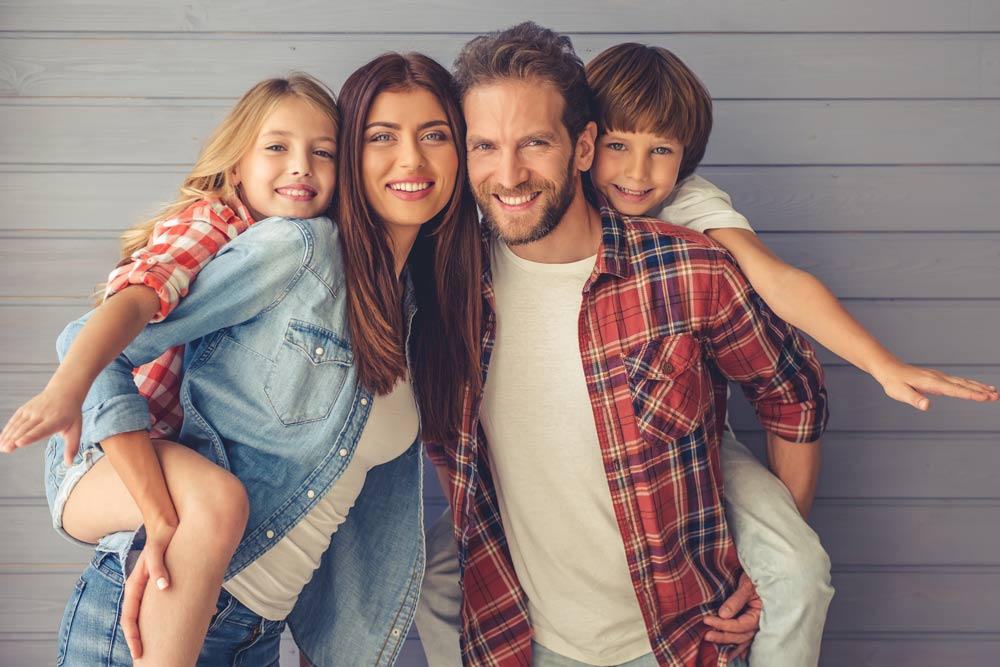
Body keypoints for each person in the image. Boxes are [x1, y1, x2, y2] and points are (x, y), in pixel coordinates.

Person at [3, 53, 483, 666]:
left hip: (255, 637)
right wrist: (155, 511)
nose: (412, 159)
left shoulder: (419, 309)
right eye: (382, 136)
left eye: (435, 135)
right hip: (163, 604)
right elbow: (93, 339)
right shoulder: (299, 249)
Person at [420, 22, 829, 667]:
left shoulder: (690, 270)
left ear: (582, 147)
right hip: (520, 644)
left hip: (682, 644)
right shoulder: (445, 288)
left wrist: (761, 561)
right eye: (484, 146)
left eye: (534, 142)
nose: (509, 173)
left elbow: (793, 393)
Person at [2, 72, 341, 664]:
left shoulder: (301, 255)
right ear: (236, 166)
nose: (301, 167)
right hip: (102, 450)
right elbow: (135, 298)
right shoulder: (212, 224)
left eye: (323, 152)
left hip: (168, 468)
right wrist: (68, 388)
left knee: (212, 502)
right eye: (278, 147)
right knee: (215, 503)